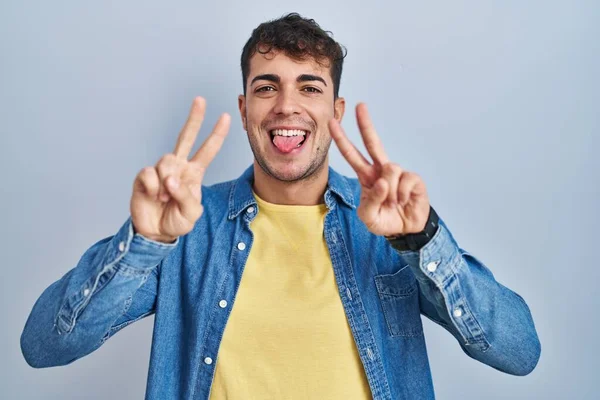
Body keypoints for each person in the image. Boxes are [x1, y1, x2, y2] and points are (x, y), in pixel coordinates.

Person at [20, 12, 540, 400]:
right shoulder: (188, 226)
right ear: (246, 109)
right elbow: (44, 347)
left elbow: (519, 353)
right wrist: (145, 244)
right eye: (267, 87)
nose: (287, 105)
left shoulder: (389, 226)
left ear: (335, 111)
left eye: (308, 87)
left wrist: (422, 240)